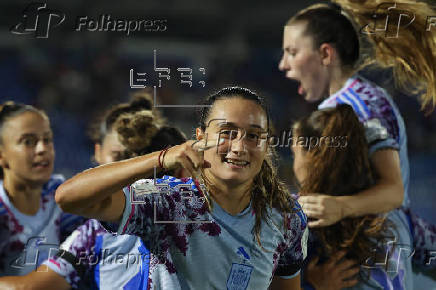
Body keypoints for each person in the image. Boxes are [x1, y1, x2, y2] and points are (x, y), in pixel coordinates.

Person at [55, 86, 308, 290]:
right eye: (227, 132)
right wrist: (161, 158)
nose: (240, 147)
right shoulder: (167, 201)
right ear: (200, 137)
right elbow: (69, 197)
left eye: (253, 136)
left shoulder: (286, 216)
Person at [278, 0, 435, 270]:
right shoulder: (356, 99)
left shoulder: (359, 108)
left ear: (325, 55)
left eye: (292, 52)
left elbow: (394, 191)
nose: (283, 64)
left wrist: (339, 207)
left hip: (371, 250)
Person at [0, 92, 186, 289]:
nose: (127, 170)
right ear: (97, 152)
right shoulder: (91, 229)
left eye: (47, 139)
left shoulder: (187, 212)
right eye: (119, 157)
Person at [292, 104, 415, 289]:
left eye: (295, 154)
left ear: (314, 158)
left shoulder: (295, 221)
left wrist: (309, 285)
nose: (294, 165)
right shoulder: (387, 225)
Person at [0, 102, 84, 276]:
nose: (42, 149)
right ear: (1, 155)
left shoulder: (60, 196)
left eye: (47, 140)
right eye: (28, 141)